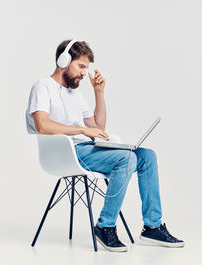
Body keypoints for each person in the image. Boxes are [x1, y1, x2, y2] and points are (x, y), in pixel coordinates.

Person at [26, 39, 184, 252]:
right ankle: (105, 226)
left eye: (86, 68)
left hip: (88, 150)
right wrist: (82, 130)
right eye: (81, 66)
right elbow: (42, 125)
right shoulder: (42, 86)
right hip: (66, 153)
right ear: (63, 61)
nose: (84, 73)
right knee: (127, 158)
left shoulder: (76, 93)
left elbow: (99, 127)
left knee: (147, 156)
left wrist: (99, 92)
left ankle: (152, 226)